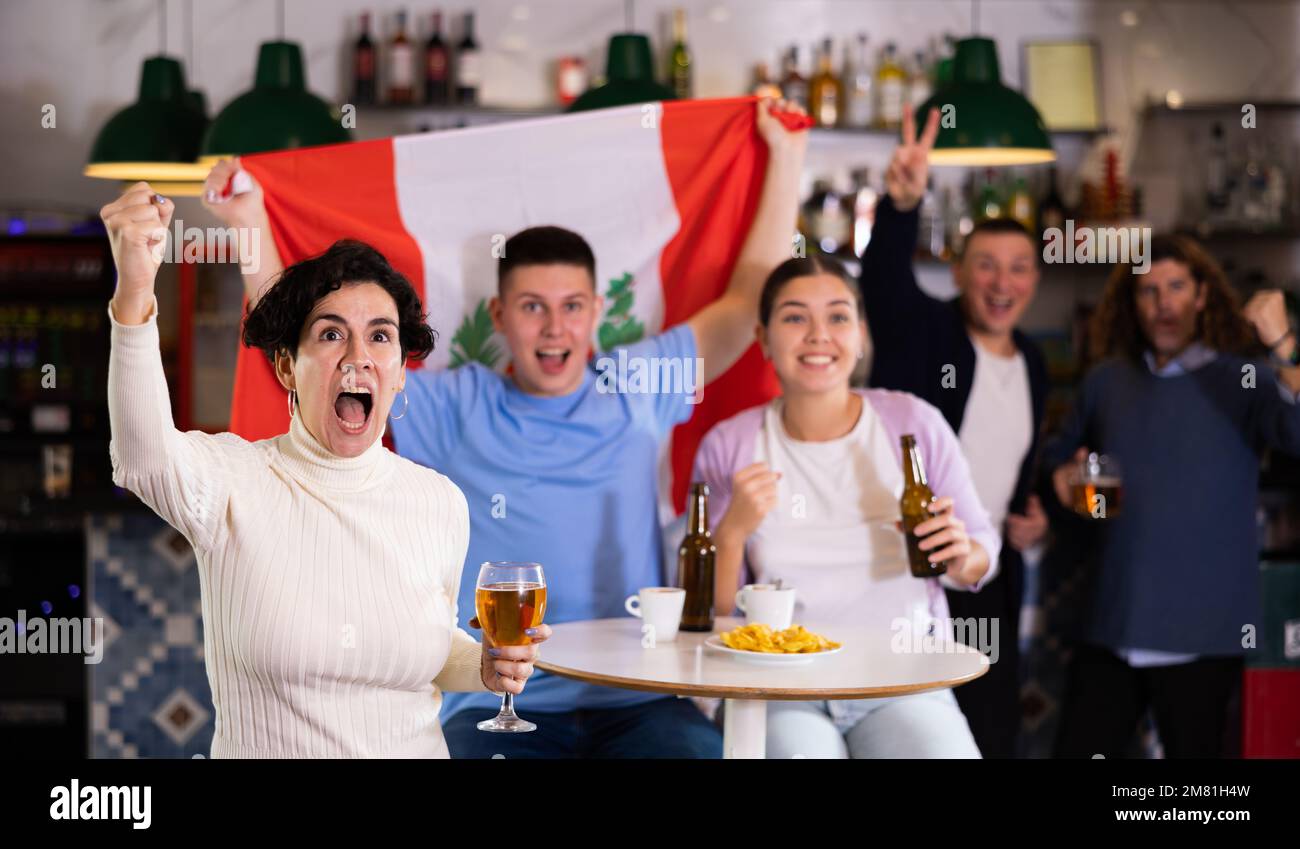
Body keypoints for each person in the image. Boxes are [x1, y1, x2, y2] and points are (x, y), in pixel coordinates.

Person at [200, 99, 809, 758]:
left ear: (598, 311)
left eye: (573, 306)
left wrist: (788, 154)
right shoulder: (453, 405)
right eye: (532, 307)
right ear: (497, 313)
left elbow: (751, 298)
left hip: (639, 699)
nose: (555, 327)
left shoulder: (638, 385)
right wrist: (250, 223)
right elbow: (309, 348)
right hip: (498, 705)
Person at [101, 183, 549, 758]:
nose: (358, 355)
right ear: (287, 366)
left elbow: (429, 654)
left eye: (380, 337)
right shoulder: (233, 481)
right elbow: (142, 456)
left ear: (400, 372)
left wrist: (485, 666)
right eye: (331, 334)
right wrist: (136, 288)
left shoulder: (438, 501)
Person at [692, 254, 999, 758]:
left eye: (837, 317)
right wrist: (730, 533)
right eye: (794, 317)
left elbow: (984, 547)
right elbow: (710, 615)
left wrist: (963, 556)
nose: (818, 335)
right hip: (779, 689)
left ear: (860, 334)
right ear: (764, 338)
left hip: (903, 678)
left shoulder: (913, 423)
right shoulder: (730, 444)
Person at [1046, 234, 1300, 758]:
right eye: (1149, 290)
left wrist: (1285, 346)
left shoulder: (1244, 378)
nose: (1164, 304)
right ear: (1131, 304)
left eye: (1178, 287)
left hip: (1204, 634)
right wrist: (1062, 482)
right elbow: (1059, 462)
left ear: (1203, 295)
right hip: (1111, 623)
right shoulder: (1105, 382)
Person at [856, 107, 1049, 757]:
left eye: (1018, 267)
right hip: (905, 570)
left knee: (992, 730)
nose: (1002, 283)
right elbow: (882, 282)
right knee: (904, 725)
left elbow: (1024, 464)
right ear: (960, 272)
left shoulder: (1035, 360)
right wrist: (902, 203)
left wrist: (1035, 516)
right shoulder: (925, 332)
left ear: (1035, 279)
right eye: (986, 266)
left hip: (989, 570)